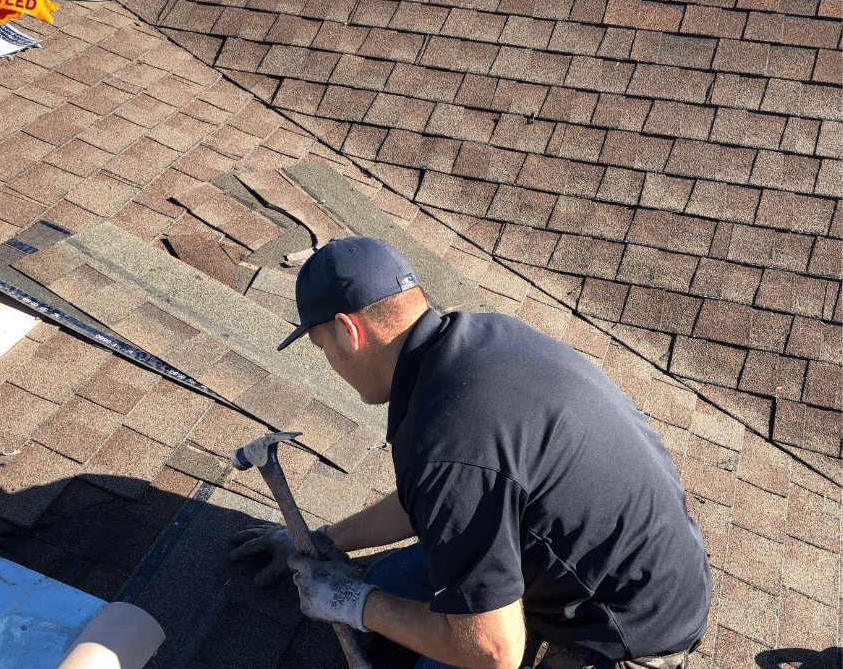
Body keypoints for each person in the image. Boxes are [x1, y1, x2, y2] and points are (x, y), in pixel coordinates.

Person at [230, 236, 711, 669]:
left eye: (322, 348)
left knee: (434, 635)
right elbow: (448, 498)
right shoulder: (477, 341)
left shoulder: (443, 440)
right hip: (628, 561)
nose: (330, 363)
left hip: (631, 625)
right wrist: (325, 542)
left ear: (349, 331)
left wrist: (354, 602)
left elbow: (493, 653)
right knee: (396, 581)